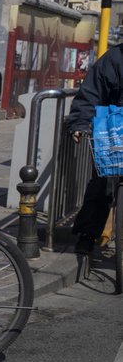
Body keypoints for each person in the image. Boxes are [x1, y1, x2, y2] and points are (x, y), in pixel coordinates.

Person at [65, 42, 123, 254]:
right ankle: (87, 234)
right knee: (102, 183)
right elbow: (91, 93)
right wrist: (79, 123)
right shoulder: (114, 58)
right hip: (115, 129)